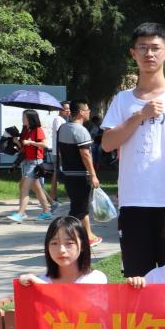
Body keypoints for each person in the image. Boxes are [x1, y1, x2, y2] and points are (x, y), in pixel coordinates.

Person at [101, 23, 165, 277]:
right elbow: (107, 143)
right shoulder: (123, 100)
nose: (149, 54)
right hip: (133, 201)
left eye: (155, 48)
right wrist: (139, 116)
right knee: (137, 278)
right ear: (133, 53)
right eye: (142, 48)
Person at [55, 100, 102, 246]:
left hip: (68, 174)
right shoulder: (81, 131)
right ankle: (61, 235)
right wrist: (93, 175)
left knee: (80, 206)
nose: (89, 112)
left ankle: (88, 236)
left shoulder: (62, 128)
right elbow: (85, 155)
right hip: (80, 176)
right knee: (78, 210)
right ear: (81, 112)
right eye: (87, 110)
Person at [7, 109, 54, 223]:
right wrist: (17, 142)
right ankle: (47, 212)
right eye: (23, 117)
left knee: (25, 188)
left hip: (34, 163)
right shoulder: (26, 130)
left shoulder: (37, 130)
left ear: (30, 119)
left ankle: (21, 214)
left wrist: (30, 142)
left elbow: (44, 144)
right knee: (36, 189)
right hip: (26, 162)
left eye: (24, 117)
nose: (22, 119)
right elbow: (23, 147)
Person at [48, 100, 70, 208]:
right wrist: (62, 151)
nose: (68, 111)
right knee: (56, 174)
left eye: (69, 109)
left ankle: (54, 197)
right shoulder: (58, 119)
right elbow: (60, 135)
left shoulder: (63, 120)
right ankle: (52, 197)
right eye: (65, 109)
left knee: (57, 174)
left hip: (60, 151)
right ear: (60, 110)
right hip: (59, 151)